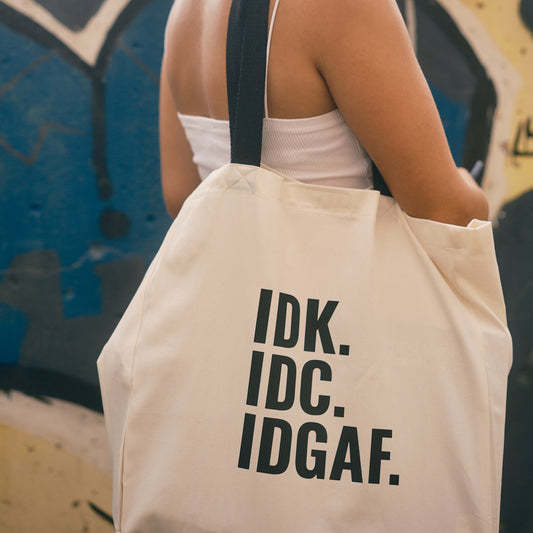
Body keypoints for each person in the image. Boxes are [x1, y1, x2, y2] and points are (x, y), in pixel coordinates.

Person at [159, 0, 489, 226]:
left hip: (241, 298)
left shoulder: (184, 11)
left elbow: (181, 196)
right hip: (343, 303)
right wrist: (466, 186)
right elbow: (447, 213)